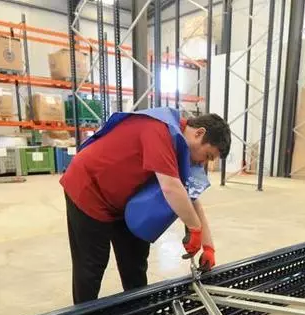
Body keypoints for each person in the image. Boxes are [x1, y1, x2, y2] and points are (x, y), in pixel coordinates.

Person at [60, 108, 231, 304]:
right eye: (208, 155)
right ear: (199, 133)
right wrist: (194, 228)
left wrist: (208, 247)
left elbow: (191, 197)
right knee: (91, 265)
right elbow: (171, 187)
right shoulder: (159, 129)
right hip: (89, 189)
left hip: (125, 199)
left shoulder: (184, 148)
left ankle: (138, 313)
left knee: (135, 260)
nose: (203, 163)